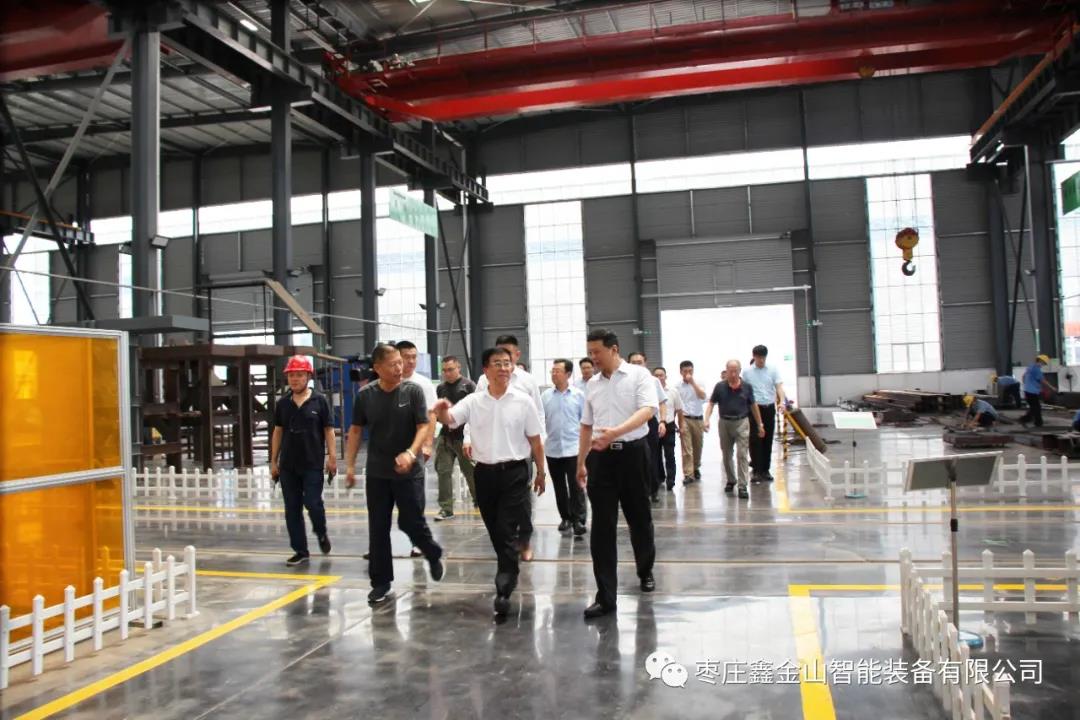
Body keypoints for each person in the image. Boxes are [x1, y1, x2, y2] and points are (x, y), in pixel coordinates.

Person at [434, 347, 545, 617]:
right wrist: (441, 412)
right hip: (484, 473)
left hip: (515, 472)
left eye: (507, 363)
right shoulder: (474, 401)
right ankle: (510, 564)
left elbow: (535, 439)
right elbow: (451, 420)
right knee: (495, 528)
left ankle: (504, 584)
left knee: (505, 526)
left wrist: (541, 471)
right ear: (486, 370)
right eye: (497, 363)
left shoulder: (523, 401)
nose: (504, 368)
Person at [345, 343, 444, 605]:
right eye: (393, 364)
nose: (400, 368)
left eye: (401, 362)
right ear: (377, 368)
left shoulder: (413, 391)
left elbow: (423, 426)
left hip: (409, 472)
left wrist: (411, 452)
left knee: (411, 522)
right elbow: (355, 431)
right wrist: (350, 466)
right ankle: (381, 582)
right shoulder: (365, 395)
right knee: (378, 527)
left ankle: (432, 552)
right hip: (378, 472)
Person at [577, 328, 658, 620]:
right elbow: (586, 425)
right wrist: (581, 462)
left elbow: (647, 410)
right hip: (601, 459)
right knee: (602, 528)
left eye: (597, 352)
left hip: (634, 455)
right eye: (590, 353)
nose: (593, 358)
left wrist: (616, 432)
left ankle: (645, 569)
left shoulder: (639, 376)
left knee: (640, 519)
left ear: (614, 349)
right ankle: (606, 597)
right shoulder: (592, 385)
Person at [474, 334, 545, 561]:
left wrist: (538, 447)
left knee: (522, 500)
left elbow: (538, 414)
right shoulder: (483, 380)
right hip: (494, 448)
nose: (503, 360)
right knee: (498, 504)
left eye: (507, 354)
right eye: (498, 355)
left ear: (516, 355)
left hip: (521, 450)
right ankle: (506, 542)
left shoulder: (527, 381)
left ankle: (524, 540)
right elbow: (475, 412)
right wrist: (468, 439)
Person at [270, 355, 335, 566]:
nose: (295, 379)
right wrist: (273, 461)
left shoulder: (319, 401)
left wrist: (332, 457)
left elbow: (328, 430)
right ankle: (300, 550)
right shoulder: (283, 404)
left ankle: (321, 533)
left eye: (299, 375)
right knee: (292, 508)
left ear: (308, 376)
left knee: (313, 503)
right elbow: (278, 431)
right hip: (288, 465)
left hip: (312, 463)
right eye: (291, 375)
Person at [397, 340, 437, 557]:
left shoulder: (423, 384)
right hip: (387, 450)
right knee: (382, 500)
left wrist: (428, 443)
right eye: (407, 357)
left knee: (415, 496)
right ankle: (378, 544)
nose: (411, 361)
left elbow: (431, 415)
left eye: (414, 357)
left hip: (415, 448)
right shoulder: (386, 382)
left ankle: (418, 541)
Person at [704, 359, 765, 500]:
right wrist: (706, 420)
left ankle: (742, 485)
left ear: (739, 371)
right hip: (725, 423)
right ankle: (731, 480)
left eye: (735, 371)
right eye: (730, 371)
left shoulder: (747, 387)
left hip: (742, 422)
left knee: (742, 454)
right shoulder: (720, 387)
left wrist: (760, 424)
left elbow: (753, 406)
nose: (732, 374)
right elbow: (711, 404)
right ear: (726, 371)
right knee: (726, 454)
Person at [542, 359, 587, 537]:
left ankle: (578, 520)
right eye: (552, 371)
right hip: (553, 449)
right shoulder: (545, 396)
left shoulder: (578, 395)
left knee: (576, 486)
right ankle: (565, 517)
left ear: (568, 374)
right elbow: (541, 420)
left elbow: (585, 421)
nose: (554, 374)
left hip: (573, 448)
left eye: (557, 371)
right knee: (559, 486)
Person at [434, 356, 477, 520]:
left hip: (464, 438)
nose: (447, 373)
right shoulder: (440, 388)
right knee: (443, 472)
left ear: (459, 368)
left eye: (450, 369)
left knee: (470, 472)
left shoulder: (469, 386)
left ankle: (479, 499)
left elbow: (476, 412)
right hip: (445, 437)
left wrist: (470, 437)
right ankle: (446, 508)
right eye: (444, 370)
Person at [627, 351, 667, 504]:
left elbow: (662, 402)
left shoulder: (653, 381)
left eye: (640, 362)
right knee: (632, 459)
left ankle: (653, 490)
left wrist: (662, 421)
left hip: (650, 423)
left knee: (651, 457)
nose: (637, 365)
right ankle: (636, 490)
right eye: (633, 362)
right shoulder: (623, 381)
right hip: (630, 423)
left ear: (645, 363)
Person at [743, 345, 786, 483]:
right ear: (754, 357)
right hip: (754, 409)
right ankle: (756, 470)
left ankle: (765, 470)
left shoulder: (773, 369)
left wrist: (782, 402)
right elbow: (744, 391)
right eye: (758, 357)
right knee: (755, 439)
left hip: (769, 407)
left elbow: (779, 387)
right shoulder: (747, 372)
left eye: (763, 357)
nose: (761, 360)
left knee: (768, 438)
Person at [675, 360, 707, 485]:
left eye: (690, 371)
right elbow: (676, 405)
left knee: (698, 446)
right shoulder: (677, 386)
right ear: (681, 372)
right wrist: (677, 422)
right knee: (686, 448)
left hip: (698, 418)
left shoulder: (699, 383)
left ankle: (696, 467)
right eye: (685, 371)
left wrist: (693, 383)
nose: (688, 373)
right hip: (685, 418)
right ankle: (688, 474)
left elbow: (703, 396)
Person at [653, 366, 683, 491]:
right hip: (654, 426)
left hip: (669, 425)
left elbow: (679, 410)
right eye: (656, 375)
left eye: (661, 375)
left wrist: (681, 426)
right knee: (656, 454)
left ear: (666, 377)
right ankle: (659, 478)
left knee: (669, 454)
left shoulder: (673, 391)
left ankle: (671, 480)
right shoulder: (649, 391)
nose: (659, 377)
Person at [1019, 354, 1056, 428]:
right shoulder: (1037, 369)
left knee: (1033, 407)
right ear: (1040, 361)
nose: (1043, 365)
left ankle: (1025, 419)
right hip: (1032, 392)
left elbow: (1023, 376)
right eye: (1044, 363)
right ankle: (1038, 423)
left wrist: (1026, 384)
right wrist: (1052, 388)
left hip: (1028, 390)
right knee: (1036, 408)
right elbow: (1043, 380)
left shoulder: (1030, 367)